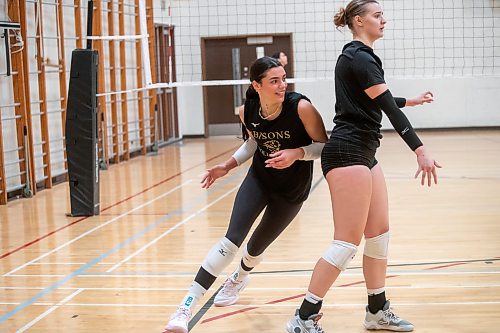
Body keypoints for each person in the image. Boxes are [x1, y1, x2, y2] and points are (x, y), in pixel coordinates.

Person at [286, 1, 441, 333]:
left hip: (364, 153)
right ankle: (303, 317)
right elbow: (387, 108)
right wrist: (420, 148)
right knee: (345, 243)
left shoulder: (360, 57)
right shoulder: (359, 56)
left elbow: (376, 98)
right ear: (359, 21)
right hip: (347, 153)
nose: (383, 19)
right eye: (377, 15)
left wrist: (408, 100)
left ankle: (376, 310)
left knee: (379, 236)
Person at [163, 56, 328, 333]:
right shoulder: (247, 110)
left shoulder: (301, 108)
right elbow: (254, 141)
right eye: (274, 81)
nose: (281, 86)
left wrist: (297, 153)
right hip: (260, 179)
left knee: (255, 248)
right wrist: (227, 166)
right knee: (231, 240)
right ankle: (185, 308)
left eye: (283, 79)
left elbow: (325, 146)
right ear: (257, 85)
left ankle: (239, 277)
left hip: (291, 190)